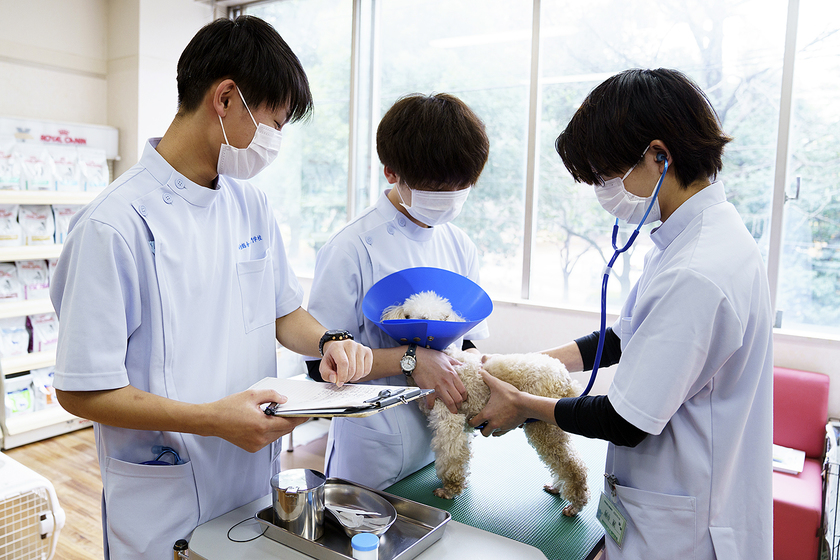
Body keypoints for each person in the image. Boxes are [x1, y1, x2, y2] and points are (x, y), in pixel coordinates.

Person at [49, 16, 372, 560]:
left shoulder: (251, 204)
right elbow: (80, 389)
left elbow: (283, 312)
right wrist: (212, 421)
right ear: (224, 99)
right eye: (273, 124)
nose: (275, 143)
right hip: (164, 497)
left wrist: (328, 341)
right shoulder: (114, 225)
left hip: (250, 480)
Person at [469, 68, 773, 559]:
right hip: (670, 502)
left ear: (659, 156)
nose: (603, 189)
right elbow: (623, 337)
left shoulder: (697, 271)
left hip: (684, 530)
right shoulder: (695, 237)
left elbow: (625, 420)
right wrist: (530, 364)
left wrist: (523, 403)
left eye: (607, 175)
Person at [304, 93, 491, 490]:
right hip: (375, 450)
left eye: (459, 187)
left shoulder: (460, 245)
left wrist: (478, 372)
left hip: (445, 441)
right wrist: (411, 361)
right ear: (391, 172)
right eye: (435, 188)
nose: (447, 199)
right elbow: (318, 367)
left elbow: (470, 341)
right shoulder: (351, 247)